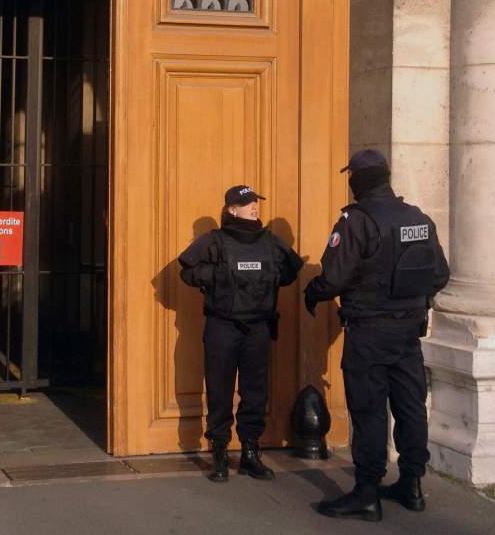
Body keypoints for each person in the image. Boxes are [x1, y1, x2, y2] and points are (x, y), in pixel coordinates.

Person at [304, 150, 450, 522]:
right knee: (410, 408)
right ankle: (412, 485)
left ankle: (367, 492)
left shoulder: (356, 220)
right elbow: (440, 275)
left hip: (369, 332)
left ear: (356, 178)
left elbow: (334, 277)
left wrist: (314, 292)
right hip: (408, 333)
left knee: (368, 410)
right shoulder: (418, 218)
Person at [177, 184, 304, 482]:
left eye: (255, 203)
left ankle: (250, 453)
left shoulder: (270, 241)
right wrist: (219, 276)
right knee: (220, 391)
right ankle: (219, 453)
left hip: (257, 326)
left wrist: (266, 280)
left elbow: (291, 269)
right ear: (231, 209)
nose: (254, 208)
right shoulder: (214, 240)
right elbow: (187, 271)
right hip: (223, 326)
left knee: (255, 392)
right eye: (247, 204)